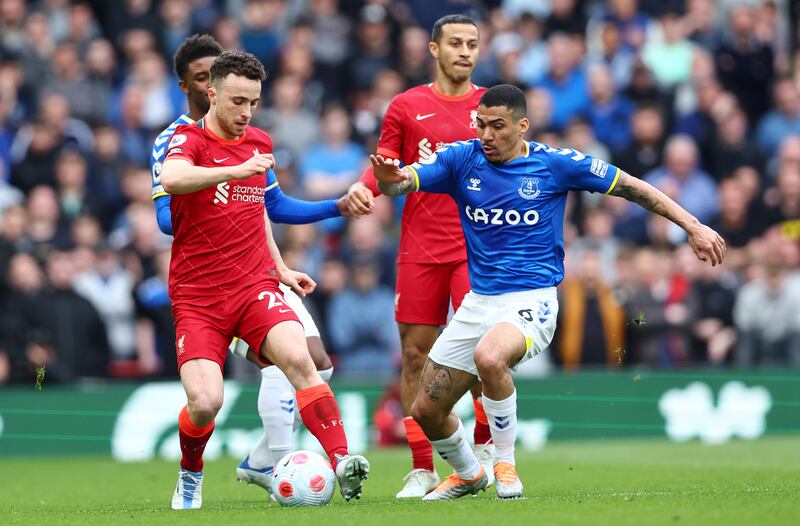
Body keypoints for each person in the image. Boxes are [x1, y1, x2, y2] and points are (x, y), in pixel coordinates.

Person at [371, 84, 726, 500]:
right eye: (481, 124)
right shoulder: (460, 158)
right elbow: (403, 183)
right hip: (478, 302)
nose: (486, 135)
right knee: (425, 411)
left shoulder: (555, 164)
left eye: (497, 126)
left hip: (531, 300)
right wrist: (388, 180)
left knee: (490, 357)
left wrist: (693, 226)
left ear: (523, 126)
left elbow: (632, 186)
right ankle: (468, 472)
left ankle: (504, 464)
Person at [150, 35, 365, 498]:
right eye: (237, 101)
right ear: (211, 94)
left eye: (254, 102)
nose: (247, 111)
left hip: (254, 286)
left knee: (304, 361)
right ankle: (191, 473)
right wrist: (232, 171)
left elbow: (262, 208)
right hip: (199, 296)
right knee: (206, 403)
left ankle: (344, 461)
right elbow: (172, 180)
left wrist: (281, 266)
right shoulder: (184, 139)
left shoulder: (259, 140)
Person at [344, 14, 494, 498]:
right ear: (434, 49)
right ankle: (423, 467)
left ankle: (488, 447)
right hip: (420, 248)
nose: (465, 52)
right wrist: (362, 187)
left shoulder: (491, 106)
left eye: (472, 44)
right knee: (414, 356)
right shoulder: (406, 106)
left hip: (476, 248)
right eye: (455, 43)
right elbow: (385, 166)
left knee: (481, 350)